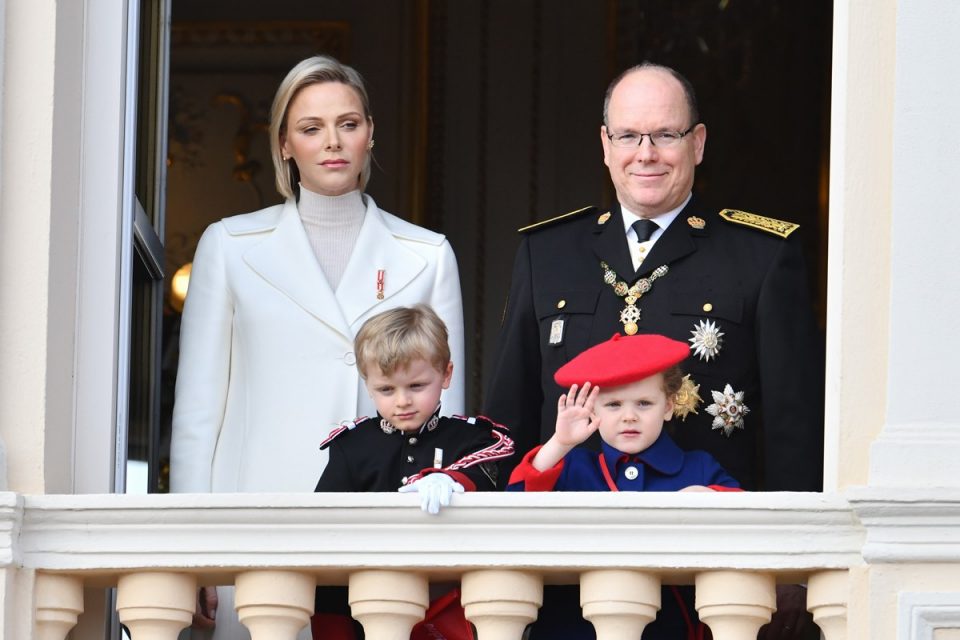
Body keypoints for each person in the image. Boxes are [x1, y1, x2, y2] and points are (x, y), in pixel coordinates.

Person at [484, 61, 822, 640]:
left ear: (697, 143)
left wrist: (794, 562)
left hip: (709, 578)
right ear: (604, 144)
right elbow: (508, 415)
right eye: (628, 136)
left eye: (666, 135)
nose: (647, 153)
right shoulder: (548, 252)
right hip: (562, 573)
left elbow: (794, 424)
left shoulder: (760, 256)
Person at [170, 55, 465, 640]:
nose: (332, 142)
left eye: (348, 123)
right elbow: (198, 412)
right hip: (254, 523)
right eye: (311, 128)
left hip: (382, 532)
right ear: (284, 143)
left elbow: (447, 419)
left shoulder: (427, 254)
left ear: (370, 133)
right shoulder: (229, 245)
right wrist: (191, 549)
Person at [508, 333, 739, 639]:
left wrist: (708, 496)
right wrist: (559, 443)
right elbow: (516, 505)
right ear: (593, 410)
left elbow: (743, 516)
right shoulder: (573, 465)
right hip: (573, 627)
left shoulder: (698, 467)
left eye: (644, 403)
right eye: (613, 404)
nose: (629, 416)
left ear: (668, 406)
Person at [313, 305, 513, 640]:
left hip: (451, 610)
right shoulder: (353, 446)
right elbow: (325, 531)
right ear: (368, 385)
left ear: (446, 375)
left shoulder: (471, 438)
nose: (403, 401)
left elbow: (496, 462)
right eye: (387, 390)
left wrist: (453, 479)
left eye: (417, 385)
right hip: (369, 611)